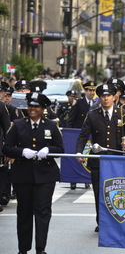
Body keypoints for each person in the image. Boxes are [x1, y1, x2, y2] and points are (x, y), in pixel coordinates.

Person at [2, 92, 64, 254]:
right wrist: (22, 151)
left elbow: (60, 149)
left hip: (45, 175)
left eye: (36, 106)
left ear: (43, 108)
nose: (32, 109)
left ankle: (40, 248)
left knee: (43, 212)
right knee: (24, 212)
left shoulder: (51, 125)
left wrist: (48, 150)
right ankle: (23, 249)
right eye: (30, 106)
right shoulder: (17, 124)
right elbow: (6, 148)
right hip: (23, 174)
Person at [75, 83, 125, 232]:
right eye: (103, 96)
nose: (106, 99)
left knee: (117, 192)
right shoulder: (93, 115)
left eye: (108, 96)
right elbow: (83, 135)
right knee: (99, 192)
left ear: (114, 97)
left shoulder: (123, 113)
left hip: (117, 160)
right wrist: (79, 152)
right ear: (99, 98)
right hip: (98, 161)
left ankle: (117, 221)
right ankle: (101, 222)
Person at [66, 81, 96, 189]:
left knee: (88, 156)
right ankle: (73, 180)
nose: (91, 92)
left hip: (91, 134)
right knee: (77, 155)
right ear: (85, 91)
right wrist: (69, 133)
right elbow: (71, 119)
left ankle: (86, 179)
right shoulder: (78, 103)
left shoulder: (96, 104)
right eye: (89, 90)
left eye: (93, 90)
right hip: (78, 134)